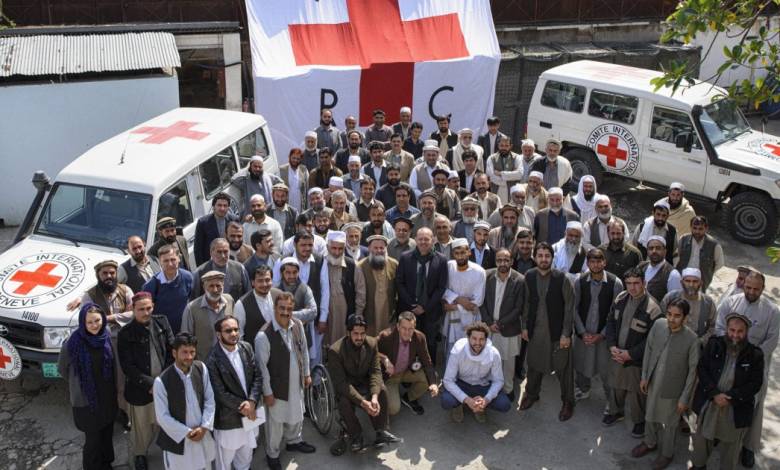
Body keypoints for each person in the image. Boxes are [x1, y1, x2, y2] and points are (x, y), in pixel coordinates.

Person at [714, 271, 779, 468]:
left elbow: (771, 341)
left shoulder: (772, 311)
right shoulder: (730, 302)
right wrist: (731, 352)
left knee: (753, 407)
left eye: (755, 289)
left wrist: (749, 359)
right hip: (727, 362)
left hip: (755, 367)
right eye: (748, 287)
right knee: (724, 400)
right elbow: (718, 328)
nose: (751, 292)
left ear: (762, 288)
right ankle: (718, 435)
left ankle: (748, 447)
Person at [690, 313, 764, 470]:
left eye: (740, 331)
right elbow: (702, 369)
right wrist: (714, 393)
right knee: (703, 439)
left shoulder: (755, 355)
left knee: (731, 446)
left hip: (736, 407)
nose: (735, 335)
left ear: (746, 332)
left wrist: (730, 397)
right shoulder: (714, 344)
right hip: (711, 402)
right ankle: (699, 465)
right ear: (726, 329)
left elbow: (755, 384)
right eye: (732, 330)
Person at [631, 298, 699, 470]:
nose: (671, 319)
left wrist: (684, 398)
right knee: (650, 414)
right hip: (653, 382)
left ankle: (667, 454)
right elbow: (648, 351)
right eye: (669, 314)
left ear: (685, 318)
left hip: (673, 389)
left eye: (677, 316)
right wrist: (645, 376)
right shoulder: (658, 325)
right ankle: (649, 442)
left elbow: (693, 372)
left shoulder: (692, 339)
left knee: (670, 424)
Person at [255, 293, 315, 470]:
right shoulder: (263, 336)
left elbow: (303, 349)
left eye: (289, 308)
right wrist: (267, 393)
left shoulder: (297, 325)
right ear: (275, 308)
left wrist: (306, 373)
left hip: (296, 383)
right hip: (277, 388)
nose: (285, 312)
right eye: (282, 308)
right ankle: (272, 454)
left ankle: (294, 440)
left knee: (296, 414)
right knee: (275, 424)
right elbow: (261, 368)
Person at [603, 267, 663, 438]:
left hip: (637, 360)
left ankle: (639, 421)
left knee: (637, 393)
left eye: (636, 283)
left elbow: (653, 340)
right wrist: (612, 345)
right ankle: (616, 412)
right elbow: (610, 323)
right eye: (628, 283)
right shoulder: (621, 298)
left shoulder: (653, 308)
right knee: (616, 385)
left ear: (644, 283)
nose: (632, 287)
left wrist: (630, 354)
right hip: (617, 354)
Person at [328, 314, 401, 453]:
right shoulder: (335, 351)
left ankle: (381, 431)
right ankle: (356, 435)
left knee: (382, 390)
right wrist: (363, 402)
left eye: (362, 333)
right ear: (348, 332)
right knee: (344, 401)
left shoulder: (372, 343)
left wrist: (373, 397)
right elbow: (341, 384)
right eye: (355, 333)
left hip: (364, 381)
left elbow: (375, 372)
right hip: (346, 386)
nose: (359, 337)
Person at [519, 242, 576, 421]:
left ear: (552, 258)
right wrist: (524, 327)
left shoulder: (562, 278)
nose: (544, 259)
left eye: (547, 256)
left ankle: (568, 401)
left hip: (558, 333)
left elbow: (569, 307)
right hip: (536, 331)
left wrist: (566, 333)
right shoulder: (529, 276)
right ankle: (532, 394)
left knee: (563, 368)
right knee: (534, 364)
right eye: (540, 256)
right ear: (535, 258)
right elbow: (526, 304)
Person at [118, 292, 174, 470]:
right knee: (141, 428)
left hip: (164, 385)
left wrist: (163, 381)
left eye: (148, 308)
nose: (146, 312)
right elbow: (128, 367)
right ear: (132, 310)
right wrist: (151, 385)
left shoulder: (162, 322)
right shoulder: (125, 333)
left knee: (166, 422)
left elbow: (172, 351)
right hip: (140, 390)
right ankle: (140, 455)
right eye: (141, 309)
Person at [58, 304, 118, 470]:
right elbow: (62, 369)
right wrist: (77, 385)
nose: (94, 325)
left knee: (106, 434)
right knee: (93, 440)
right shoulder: (72, 343)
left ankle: (106, 464)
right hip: (87, 402)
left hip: (107, 397)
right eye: (89, 322)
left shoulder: (106, 335)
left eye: (97, 320)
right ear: (82, 322)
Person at [204, 316, 263, 470]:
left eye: (236, 329)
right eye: (228, 330)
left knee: (246, 457)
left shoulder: (246, 348)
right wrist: (243, 406)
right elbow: (219, 392)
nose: (233, 333)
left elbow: (257, 376)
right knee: (225, 462)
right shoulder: (212, 359)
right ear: (218, 334)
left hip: (250, 415)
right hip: (228, 420)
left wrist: (251, 401)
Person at [153, 333, 217, 470]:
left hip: (203, 434)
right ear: (174, 353)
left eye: (192, 352)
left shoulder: (201, 368)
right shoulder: (161, 381)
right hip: (179, 441)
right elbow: (162, 417)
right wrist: (188, 432)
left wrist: (204, 426)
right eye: (184, 352)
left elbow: (209, 399)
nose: (189, 357)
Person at [572, 249, 623, 409]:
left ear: (604, 262)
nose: (595, 264)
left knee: (606, 369)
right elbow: (573, 308)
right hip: (583, 335)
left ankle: (611, 401)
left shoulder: (616, 283)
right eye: (592, 261)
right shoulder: (579, 281)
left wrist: (601, 335)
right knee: (581, 363)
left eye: (599, 261)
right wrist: (581, 332)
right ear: (587, 263)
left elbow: (616, 314)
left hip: (605, 336)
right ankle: (583, 389)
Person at [396, 227, 449, 363]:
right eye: (420, 239)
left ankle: (429, 373)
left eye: (427, 239)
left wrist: (425, 307)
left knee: (429, 343)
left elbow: (441, 287)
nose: (423, 242)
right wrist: (413, 305)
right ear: (415, 240)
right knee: (408, 341)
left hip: (431, 311)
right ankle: (409, 373)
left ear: (433, 240)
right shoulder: (405, 257)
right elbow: (400, 283)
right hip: (410, 310)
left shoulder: (441, 260)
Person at [441, 322, 511, 422]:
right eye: (474, 338)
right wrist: (466, 399)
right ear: (468, 338)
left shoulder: (494, 353)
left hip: (482, 386)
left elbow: (498, 381)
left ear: (486, 340)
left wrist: (486, 399)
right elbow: (448, 380)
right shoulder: (458, 350)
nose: (477, 343)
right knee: (446, 401)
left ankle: (480, 406)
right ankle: (459, 405)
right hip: (462, 384)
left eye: (481, 339)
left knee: (504, 404)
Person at [480, 248, 524, 400]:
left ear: (512, 261)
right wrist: (489, 322)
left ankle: (508, 388)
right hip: (489, 327)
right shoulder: (486, 276)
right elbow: (482, 302)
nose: (503, 263)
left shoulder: (519, 280)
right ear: (495, 261)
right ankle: (490, 386)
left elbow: (519, 308)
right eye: (499, 260)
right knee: (488, 358)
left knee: (508, 362)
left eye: (506, 260)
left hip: (509, 328)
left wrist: (500, 324)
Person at [377, 311, 438, 416]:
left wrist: (433, 384)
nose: (407, 332)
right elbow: (369, 349)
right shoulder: (386, 336)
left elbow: (427, 362)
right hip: (390, 376)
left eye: (411, 329)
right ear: (397, 326)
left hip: (406, 371)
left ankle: (408, 398)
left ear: (415, 327)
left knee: (430, 378)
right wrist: (384, 359)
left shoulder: (420, 337)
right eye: (404, 328)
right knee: (393, 409)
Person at [318, 231, 366, 346]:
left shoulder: (352, 265)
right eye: (333, 248)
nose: (336, 252)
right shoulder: (320, 263)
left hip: (345, 313)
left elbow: (361, 292)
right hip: (325, 312)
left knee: (343, 343)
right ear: (327, 247)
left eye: (340, 249)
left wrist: (357, 316)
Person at [442, 239, 487, 358]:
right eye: (457, 253)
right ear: (453, 254)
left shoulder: (479, 271)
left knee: (470, 350)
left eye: (463, 252)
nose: (460, 256)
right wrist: (459, 299)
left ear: (469, 252)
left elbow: (477, 301)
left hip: (470, 318)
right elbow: (443, 289)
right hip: (452, 317)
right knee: (451, 352)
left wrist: (455, 305)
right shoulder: (448, 266)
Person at [181, 271, 235, 360]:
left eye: (218, 286)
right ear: (204, 287)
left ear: (223, 286)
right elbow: (186, 340)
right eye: (211, 286)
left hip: (229, 358)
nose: (215, 290)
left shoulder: (229, 301)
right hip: (205, 362)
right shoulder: (192, 308)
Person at [143, 244, 194, 333]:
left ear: (179, 259)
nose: (170, 264)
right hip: (161, 334)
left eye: (173, 259)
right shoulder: (151, 285)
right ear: (160, 262)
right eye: (166, 261)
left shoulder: (188, 277)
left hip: (184, 332)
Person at [660, 268, 717, 344]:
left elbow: (713, 327)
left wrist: (701, 342)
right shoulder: (671, 297)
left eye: (695, 281)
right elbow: (660, 320)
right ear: (681, 282)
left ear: (701, 283)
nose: (691, 285)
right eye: (687, 281)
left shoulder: (708, 303)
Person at [358, 235, 398, 336]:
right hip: (369, 313)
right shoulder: (360, 266)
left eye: (381, 248)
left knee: (387, 339)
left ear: (386, 249)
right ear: (369, 248)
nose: (379, 250)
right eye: (375, 248)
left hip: (388, 312)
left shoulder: (394, 264)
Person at [191, 238, 250, 302]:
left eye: (225, 251)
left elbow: (248, 294)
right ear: (211, 253)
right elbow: (194, 300)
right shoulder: (200, 272)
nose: (223, 256)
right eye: (219, 252)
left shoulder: (239, 268)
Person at [235, 265, 281, 344]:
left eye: (267, 280)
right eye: (260, 281)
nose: (264, 284)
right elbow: (239, 335)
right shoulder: (241, 304)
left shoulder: (279, 295)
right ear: (253, 282)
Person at [675, 216, 724, 291]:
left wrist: (707, 273)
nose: (697, 231)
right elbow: (676, 257)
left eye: (700, 229)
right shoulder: (684, 239)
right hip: (683, 278)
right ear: (691, 227)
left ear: (706, 229)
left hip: (700, 281)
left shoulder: (714, 245)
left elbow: (719, 264)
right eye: (695, 228)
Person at [194, 192, 239, 266]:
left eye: (225, 206)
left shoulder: (234, 220)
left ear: (228, 207)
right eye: (219, 205)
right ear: (213, 206)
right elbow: (198, 250)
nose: (222, 208)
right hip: (211, 265)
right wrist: (202, 269)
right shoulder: (203, 223)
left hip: (231, 263)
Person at [632, 199, 677, 264]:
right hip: (642, 266)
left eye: (663, 215)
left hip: (662, 269)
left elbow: (674, 251)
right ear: (653, 213)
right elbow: (634, 246)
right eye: (658, 214)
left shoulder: (672, 231)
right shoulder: (641, 227)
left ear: (667, 216)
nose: (660, 218)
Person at [637, 236, 681, 303]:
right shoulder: (641, 267)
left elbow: (675, 302)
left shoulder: (673, 274)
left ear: (665, 251)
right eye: (651, 248)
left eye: (658, 248)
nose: (654, 251)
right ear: (647, 251)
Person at [485, 136, 524, 203]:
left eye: (506, 145)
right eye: (501, 145)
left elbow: (520, 174)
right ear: (498, 146)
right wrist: (511, 176)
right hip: (496, 192)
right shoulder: (491, 158)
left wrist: (501, 174)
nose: (504, 148)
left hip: (512, 193)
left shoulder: (517, 157)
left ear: (511, 146)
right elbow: (491, 176)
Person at [278, 148, 308, 214]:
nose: (295, 160)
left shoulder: (304, 170)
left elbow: (306, 189)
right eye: (293, 158)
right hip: (287, 201)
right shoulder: (282, 170)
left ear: (300, 159)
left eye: (298, 159)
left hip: (299, 202)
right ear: (289, 157)